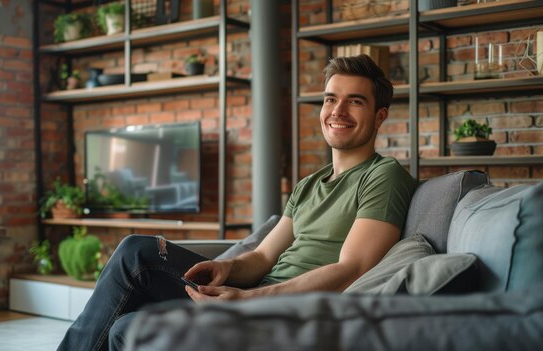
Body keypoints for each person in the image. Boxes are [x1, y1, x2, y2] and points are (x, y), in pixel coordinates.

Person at [57, 54, 417, 351]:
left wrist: (247, 300)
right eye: (330, 99)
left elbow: (351, 269)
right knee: (128, 320)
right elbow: (262, 257)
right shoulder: (308, 185)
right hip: (253, 294)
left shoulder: (382, 176)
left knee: (136, 270)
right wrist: (227, 269)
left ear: (379, 116)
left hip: (279, 309)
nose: (337, 111)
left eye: (355, 101)